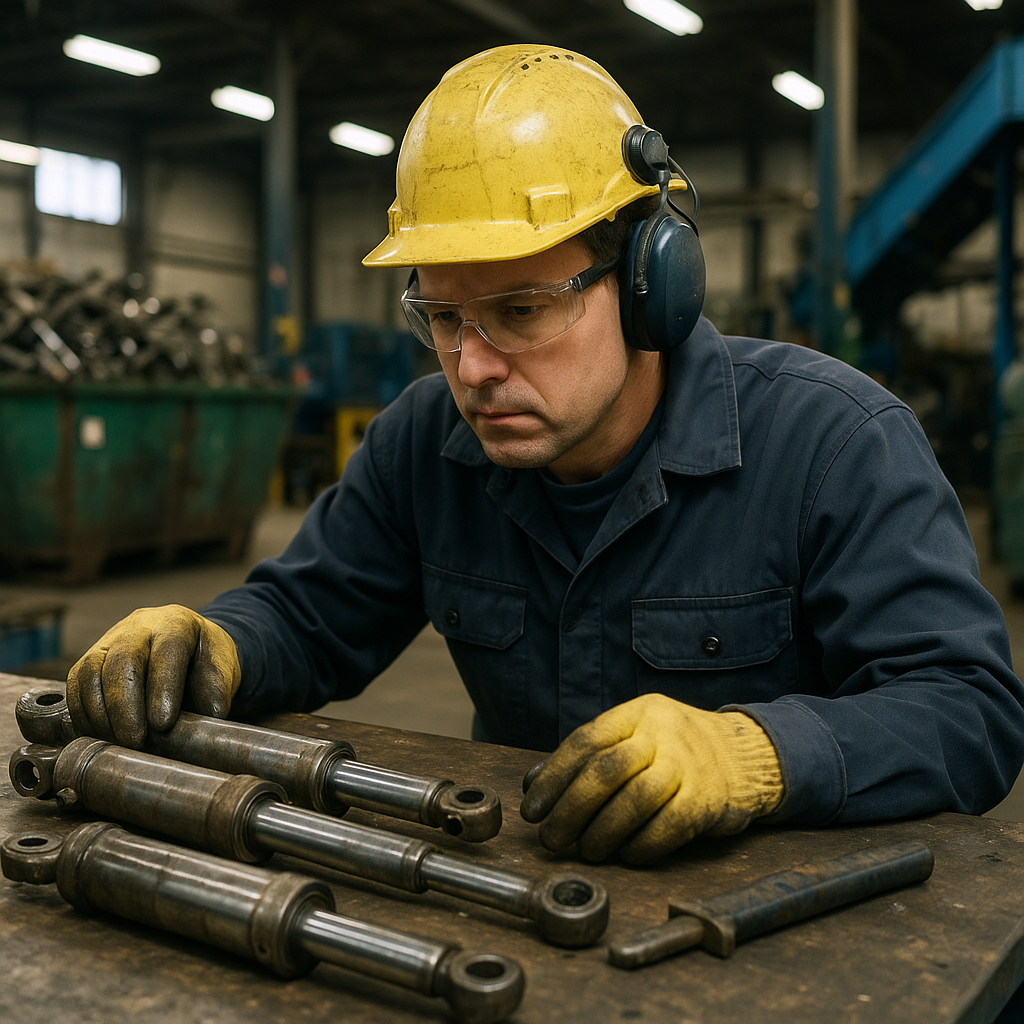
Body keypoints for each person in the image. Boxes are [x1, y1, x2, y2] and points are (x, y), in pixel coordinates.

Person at [67, 44, 1024, 866]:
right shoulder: (424, 442)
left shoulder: (833, 445)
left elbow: (971, 711)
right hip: (531, 892)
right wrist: (215, 641)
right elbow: (312, 615)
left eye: (521, 310)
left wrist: (758, 756)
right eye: (443, 318)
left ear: (654, 282)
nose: (473, 369)